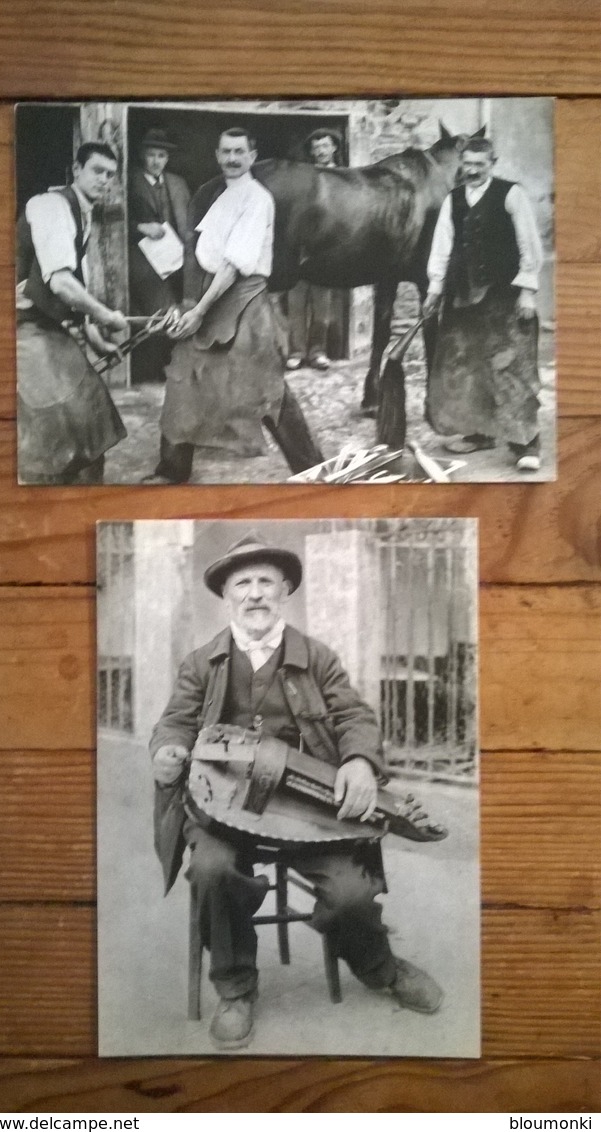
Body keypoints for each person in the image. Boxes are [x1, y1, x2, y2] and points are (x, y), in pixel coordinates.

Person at [150, 533, 443, 1050]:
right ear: (227, 596)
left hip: (305, 807)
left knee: (352, 893)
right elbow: (175, 722)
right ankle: (236, 988)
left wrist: (356, 760)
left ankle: (380, 968)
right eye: (243, 583)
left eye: (266, 581)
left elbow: (354, 714)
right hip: (223, 806)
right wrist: (168, 751)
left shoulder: (317, 656)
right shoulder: (202, 663)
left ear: (285, 589)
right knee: (214, 869)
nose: (255, 593)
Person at [148, 126, 322, 484]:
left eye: (239, 152)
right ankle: (172, 468)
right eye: (226, 151)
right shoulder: (219, 195)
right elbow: (201, 255)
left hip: (245, 301)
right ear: (217, 155)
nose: (231, 158)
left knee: (267, 391)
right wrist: (188, 305)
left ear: (252, 156)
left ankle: (313, 470)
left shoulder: (256, 199)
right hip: (215, 297)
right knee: (184, 377)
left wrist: (198, 311)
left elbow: (232, 264)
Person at [422, 136, 544, 474]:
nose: (472, 171)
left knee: (509, 366)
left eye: (480, 165)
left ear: (493, 162)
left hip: (504, 295)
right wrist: (434, 290)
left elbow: (528, 245)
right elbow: (442, 247)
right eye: (468, 165)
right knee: (468, 365)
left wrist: (528, 291)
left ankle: (526, 442)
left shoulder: (511, 194)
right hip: (462, 294)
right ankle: (480, 434)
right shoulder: (453, 199)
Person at [16, 141, 127, 484]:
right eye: (96, 171)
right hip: (18, 328)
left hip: (44, 325)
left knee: (93, 416)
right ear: (76, 170)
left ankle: (87, 495)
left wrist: (95, 339)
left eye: (110, 174)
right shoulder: (51, 206)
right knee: (53, 428)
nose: (104, 180)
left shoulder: (82, 215)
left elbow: (69, 299)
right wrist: (108, 317)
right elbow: (62, 284)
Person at [128, 128, 190, 383]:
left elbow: (190, 220)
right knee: (158, 312)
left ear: (167, 158)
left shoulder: (177, 183)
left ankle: (177, 368)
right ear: (143, 155)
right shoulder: (130, 181)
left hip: (177, 259)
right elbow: (111, 221)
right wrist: (139, 227)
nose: (156, 161)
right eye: (151, 155)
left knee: (182, 308)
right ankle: (152, 372)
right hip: (143, 260)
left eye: (161, 155)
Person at [286, 128, 342, 373]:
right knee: (296, 302)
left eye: (325, 146)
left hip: (329, 248)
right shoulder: (303, 176)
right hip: (301, 247)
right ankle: (296, 352)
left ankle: (318, 351)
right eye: (316, 147)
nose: (320, 151)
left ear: (334, 149)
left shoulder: (345, 177)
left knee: (322, 304)